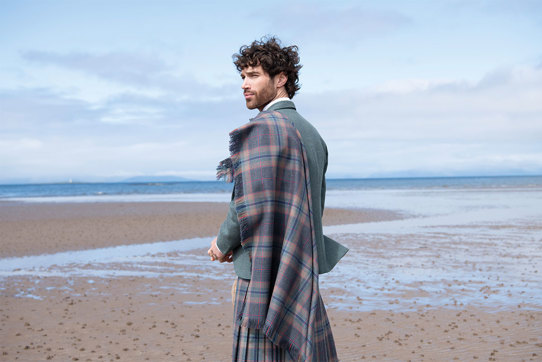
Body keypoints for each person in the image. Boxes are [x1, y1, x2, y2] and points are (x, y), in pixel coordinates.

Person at [208, 36, 348, 361]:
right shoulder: (313, 135)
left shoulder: (264, 129)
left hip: (261, 268)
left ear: (281, 78)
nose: (244, 84)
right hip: (299, 263)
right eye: (242, 76)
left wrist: (223, 243)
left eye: (254, 75)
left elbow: (245, 203)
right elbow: (317, 204)